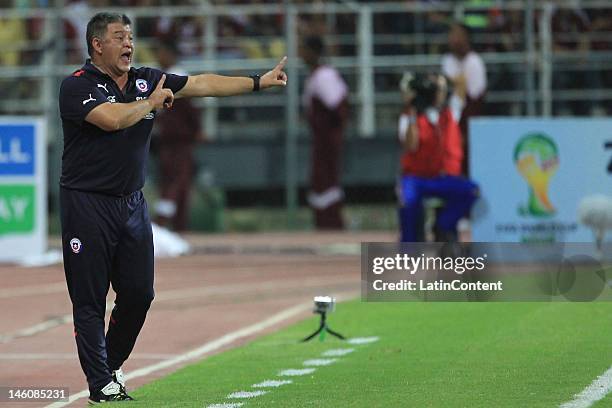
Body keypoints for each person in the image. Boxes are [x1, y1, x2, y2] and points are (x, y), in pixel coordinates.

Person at [58, 12, 287, 404]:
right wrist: (149, 104)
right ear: (97, 44)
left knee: (140, 294)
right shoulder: (77, 87)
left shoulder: (147, 78)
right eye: (118, 37)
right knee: (90, 300)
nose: (129, 44)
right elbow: (112, 120)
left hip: (131, 202)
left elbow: (200, 84)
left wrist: (257, 82)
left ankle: (108, 366)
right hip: (86, 203)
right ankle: (102, 384)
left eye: (130, 37)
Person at [397, 72, 479, 242]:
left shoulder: (449, 113)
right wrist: (413, 111)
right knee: (408, 201)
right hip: (416, 178)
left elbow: (462, 83)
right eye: (438, 91)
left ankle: (443, 225)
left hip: (442, 177)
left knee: (471, 190)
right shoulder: (409, 117)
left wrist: (442, 79)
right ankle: (410, 246)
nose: (441, 94)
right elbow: (411, 145)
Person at [153, 41, 203, 231]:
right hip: (167, 138)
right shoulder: (160, 76)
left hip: (180, 138)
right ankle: (174, 223)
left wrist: (197, 130)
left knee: (176, 180)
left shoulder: (178, 77)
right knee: (173, 179)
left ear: (171, 54)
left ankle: (166, 221)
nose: (159, 57)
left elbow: (190, 109)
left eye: (162, 52)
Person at [300, 36, 349, 229]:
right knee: (321, 180)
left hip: (327, 139)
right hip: (321, 139)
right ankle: (325, 223)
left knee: (326, 180)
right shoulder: (316, 75)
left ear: (314, 52)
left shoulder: (324, 76)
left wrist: (332, 135)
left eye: (304, 50)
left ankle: (331, 224)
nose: (301, 55)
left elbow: (338, 106)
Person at [441, 22, 486, 175]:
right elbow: (449, 89)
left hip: (469, 120)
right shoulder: (448, 60)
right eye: (451, 35)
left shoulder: (475, 62)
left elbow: (475, 98)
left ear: (466, 38)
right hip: (450, 116)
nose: (452, 39)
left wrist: (465, 132)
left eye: (456, 35)